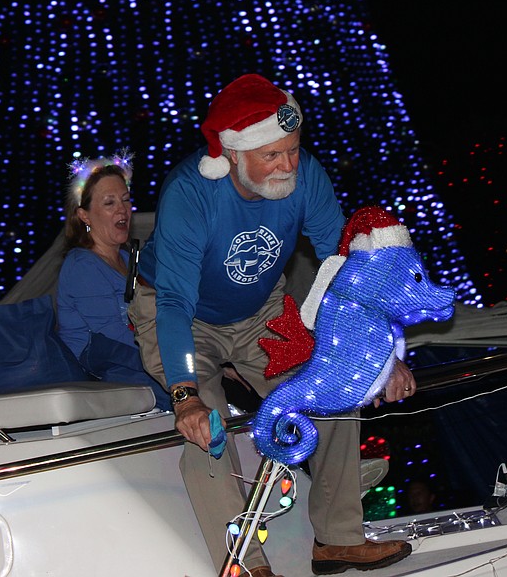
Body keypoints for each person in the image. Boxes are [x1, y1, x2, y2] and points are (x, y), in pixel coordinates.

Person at [128, 73, 415, 577]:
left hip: (261, 312)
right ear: (234, 156)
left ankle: (337, 540)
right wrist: (185, 396)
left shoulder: (306, 178)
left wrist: (383, 356)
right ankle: (245, 564)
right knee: (207, 429)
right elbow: (174, 302)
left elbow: (344, 269)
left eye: (293, 151)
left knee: (336, 393)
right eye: (271, 155)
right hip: (180, 315)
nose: (287, 165)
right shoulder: (190, 194)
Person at [56, 151, 170, 411]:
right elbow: (115, 337)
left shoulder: (129, 258)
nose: (123, 209)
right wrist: (177, 361)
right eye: (109, 203)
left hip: (141, 362)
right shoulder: (81, 266)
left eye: (126, 200)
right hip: (107, 374)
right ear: (84, 215)